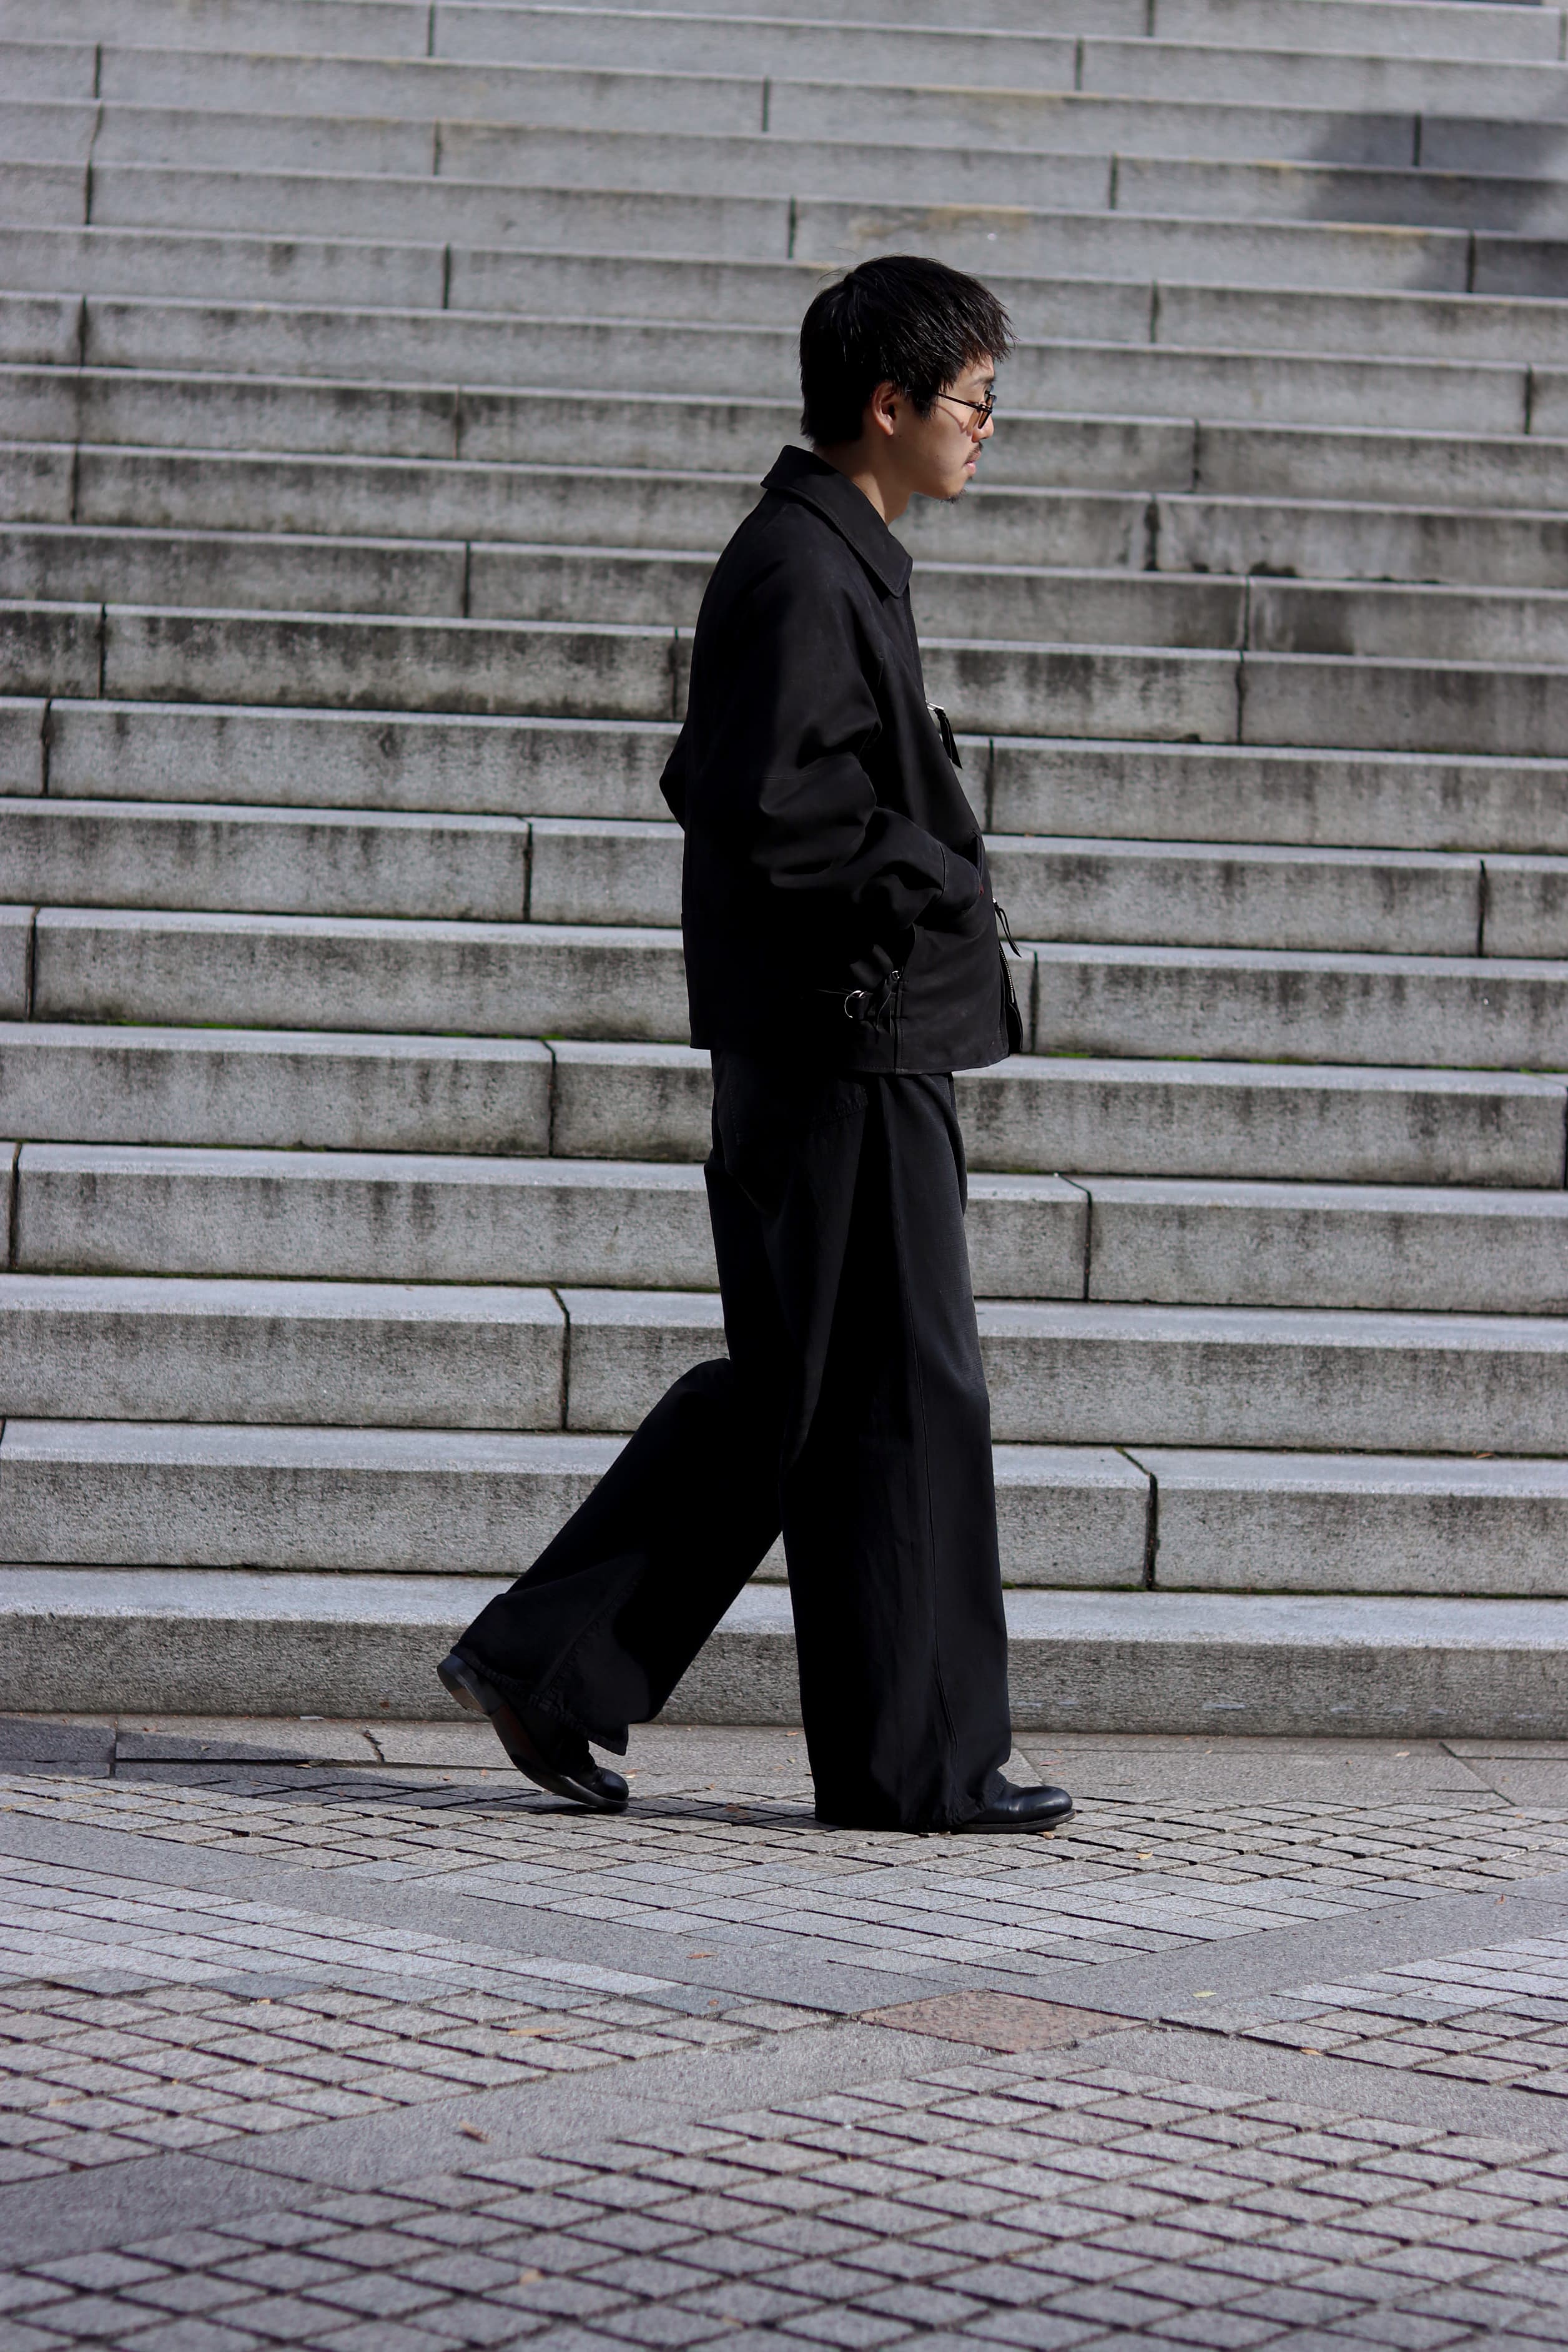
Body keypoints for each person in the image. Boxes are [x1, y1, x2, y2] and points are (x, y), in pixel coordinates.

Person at [438, 254, 1073, 1836]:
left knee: (809, 1387)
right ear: (888, 402)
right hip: (840, 1044)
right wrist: (937, 876)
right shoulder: (801, 565)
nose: (987, 426)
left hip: (834, 1040)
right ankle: (915, 1765)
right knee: (896, 1392)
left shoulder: (828, 551)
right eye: (974, 399)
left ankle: (550, 1661)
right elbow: (762, 801)